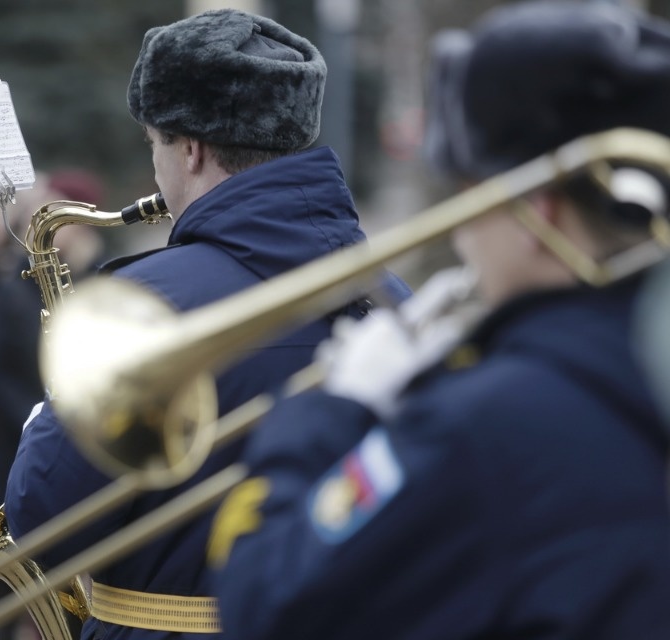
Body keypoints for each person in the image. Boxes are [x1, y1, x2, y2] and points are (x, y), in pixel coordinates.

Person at [210, 2, 670, 639]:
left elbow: (265, 600)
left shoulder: (483, 425)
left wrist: (335, 406)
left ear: (539, 211)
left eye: (471, 197)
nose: (464, 236)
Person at [3, 8, 409, 640]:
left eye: (155, 144)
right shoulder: (392, 298)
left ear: (190, 148)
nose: (155, 171)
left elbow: (45, 521)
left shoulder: (140, 305)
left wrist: (49, 416)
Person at [0, 169, 107, 640]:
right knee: (8, 609)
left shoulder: (106, 284)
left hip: (84, 457)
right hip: (13, 456)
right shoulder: (12, 287)